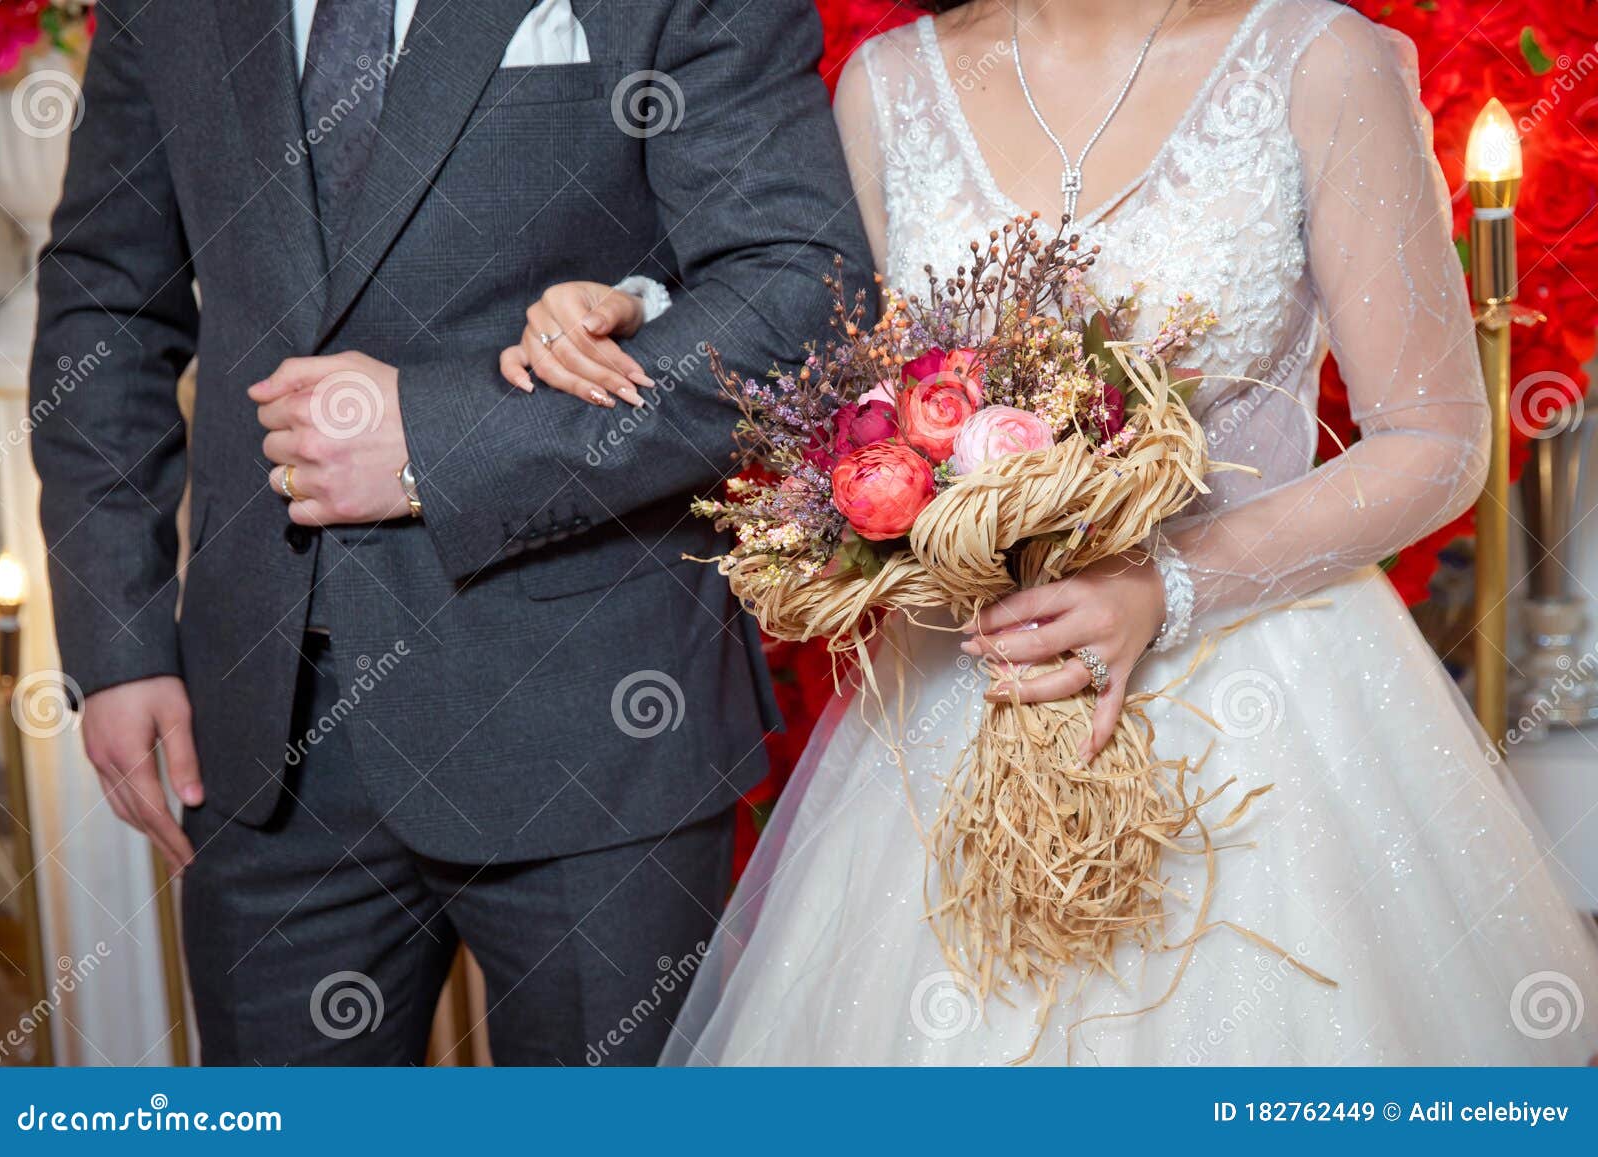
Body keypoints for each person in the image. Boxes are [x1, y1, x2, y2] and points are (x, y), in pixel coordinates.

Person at [525, 0, 1598, 1065]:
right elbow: (802, 345)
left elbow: (1436, 440)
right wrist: (635, 309)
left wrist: (1165, 584)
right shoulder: (892, 83)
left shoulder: (1319, 60)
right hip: (964, 698)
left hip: (1266, 704)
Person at [30, 0, 872, 1065]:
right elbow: (107, 302)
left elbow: (799, 294)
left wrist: (445, 442)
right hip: (257, 734)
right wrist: (120, 637)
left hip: (592, 719)